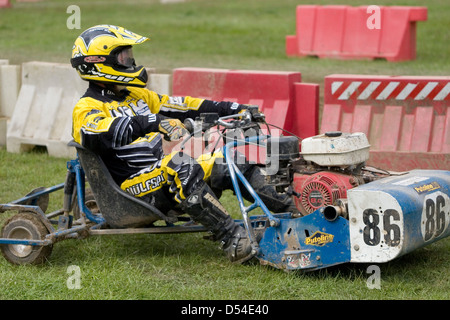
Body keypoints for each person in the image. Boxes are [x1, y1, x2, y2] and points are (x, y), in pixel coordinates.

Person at [70, 25, 295, 264]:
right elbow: (97, 133)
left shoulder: (138, 96)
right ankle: (233, 240)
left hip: (157, 176)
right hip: (129, 191)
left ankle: (292, 213)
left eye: (130, 55)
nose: (130, 62)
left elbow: (186, 105)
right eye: (123, 57)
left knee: (227, 159)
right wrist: (153, 122)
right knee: (181, 165)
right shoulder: (86, 107)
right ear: (99, 62)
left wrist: (234, 108)